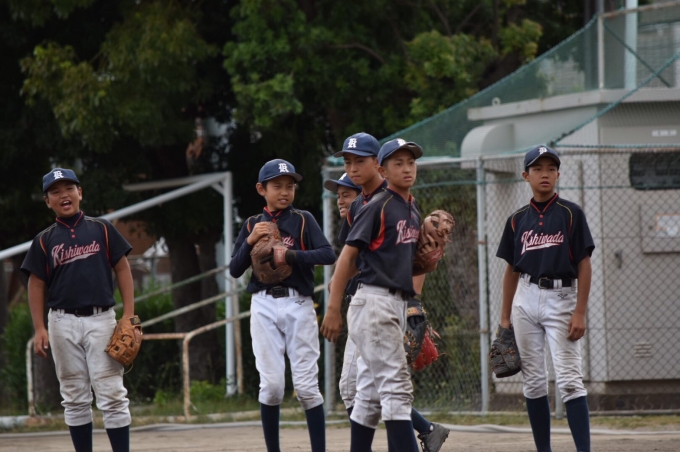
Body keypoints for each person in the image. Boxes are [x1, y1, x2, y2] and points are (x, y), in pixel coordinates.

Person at [322, 134, 449, 452]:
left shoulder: (412, 207)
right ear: (383, 169)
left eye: (411, 162)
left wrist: (426, 263)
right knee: (396, 391)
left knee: (367, 398)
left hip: (394, 302)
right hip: (374, 302)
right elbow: (347, 258)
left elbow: (409, 261)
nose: (406, 168)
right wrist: (333, 307)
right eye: (398, 163)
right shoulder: (376, 206)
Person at [21, 168, 136, 452]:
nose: (64, 195)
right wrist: (39, 328)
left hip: (102, 319)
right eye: (56, 192)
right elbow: (36, 284)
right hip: (62, 322)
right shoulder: (44, 239)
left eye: (69, 188)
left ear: (80, 193)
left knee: (112, 393)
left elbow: (122, 268)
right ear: (47, 201)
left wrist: (129, 316)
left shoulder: (101, 228)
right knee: (74, 396)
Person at [229, 159, 336, 452]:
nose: (285, 192)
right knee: (272, 387)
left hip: (298, 302)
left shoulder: (303, 220)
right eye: (277, 186)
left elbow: (328, 254)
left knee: (307, 387)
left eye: (290, 186)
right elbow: (235, 270)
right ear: (261, 189)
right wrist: (250, 240)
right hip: (263, 305)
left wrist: (290, 256)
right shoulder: (251, 224)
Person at [495, 145, 594, 452]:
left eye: (551, 168)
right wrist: (504, 319)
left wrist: (580, 311)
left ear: (558, 174)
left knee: (569, 380)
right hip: (525, 297)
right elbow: (511, 270)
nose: (545, 174)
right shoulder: (516, 220)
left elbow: (584, 264)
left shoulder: (571, 213)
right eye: (537, 168)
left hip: (562, 297)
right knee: (534, 381)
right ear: (526, 176)